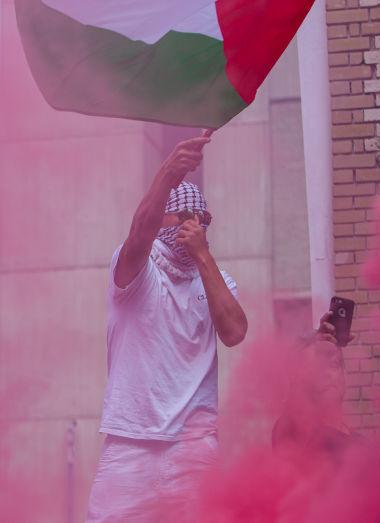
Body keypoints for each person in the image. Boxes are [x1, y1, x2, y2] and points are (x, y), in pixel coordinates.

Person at [86, 136, 248, 522]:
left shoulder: (214, 279)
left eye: (203, 219)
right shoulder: (137, 272)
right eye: (185, 217)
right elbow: (140, 235)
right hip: (131, 442)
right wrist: (167, 173)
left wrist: (202, 255)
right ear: (164, 218)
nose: (195, 225)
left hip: (194, 446)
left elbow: (235, 332)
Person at [272, 311, 360, 464]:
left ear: (344, 374)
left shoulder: (362, 446)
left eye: (333, 365)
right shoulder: (290, 431)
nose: (326, 374)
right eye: (317, 366)